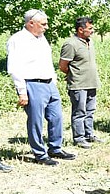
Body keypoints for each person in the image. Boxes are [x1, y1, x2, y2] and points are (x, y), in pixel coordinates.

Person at [7, 9, 76, 166]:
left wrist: (54, 80)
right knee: (36, 121)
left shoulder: (41, 38)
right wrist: (22, 92)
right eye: (43, 24)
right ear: (31, 23)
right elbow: (14, 68)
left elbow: (45, 61)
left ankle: (55, 148)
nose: (46, 27)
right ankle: (40, 154)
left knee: (56, 117)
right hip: (32, 84)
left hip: (49, 83)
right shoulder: (17, 40)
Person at [59, 17, 102, 149]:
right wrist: (73, 75)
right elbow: (63, 65)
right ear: (80, 29)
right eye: (90, 28)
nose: (92, 31)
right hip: (78, 84)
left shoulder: (90, 42)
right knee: (79, 111)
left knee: (90, 111)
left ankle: (89, 134)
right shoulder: (71, 44)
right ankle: (79, 138)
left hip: (92, 82)